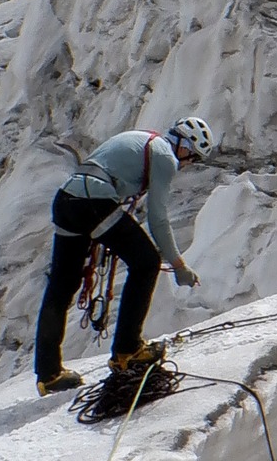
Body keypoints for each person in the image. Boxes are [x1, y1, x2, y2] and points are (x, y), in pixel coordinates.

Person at [34, 116, 212, 395]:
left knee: (61, 287)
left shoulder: (141, 138)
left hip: (67, 200)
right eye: (193, 158)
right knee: (147, 262)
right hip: (94, 201)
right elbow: (158, 218)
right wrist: (178, 264)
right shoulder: (164, 155)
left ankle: (49, 374)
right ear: (185, 147)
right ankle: (127, 350)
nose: (189, 165)